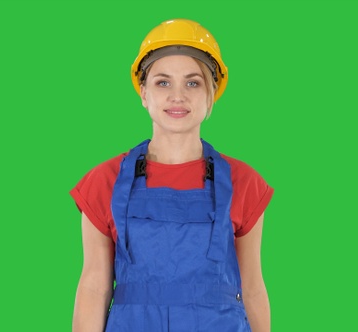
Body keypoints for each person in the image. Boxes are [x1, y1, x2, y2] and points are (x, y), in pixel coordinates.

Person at [70, 18, 274, 332]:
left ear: (211, 93)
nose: (177, 95)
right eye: (162, 82)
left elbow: (252, 288)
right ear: (143, 92)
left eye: (193, 82)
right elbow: (95, 286)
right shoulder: (104, 182)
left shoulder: (243, 183)